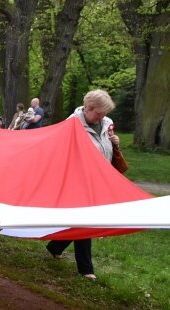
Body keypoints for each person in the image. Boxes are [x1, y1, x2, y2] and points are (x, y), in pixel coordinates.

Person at [46, 89, 120, 281]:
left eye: (105, 113)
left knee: (84, 219)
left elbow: (104, 148)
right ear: (88, 108)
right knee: (86, 220)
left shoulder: (107, 123)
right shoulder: (72, 124)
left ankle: (55, 246)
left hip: (100, 178)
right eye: (99, 113)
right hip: (78, 179)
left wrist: (114, 143)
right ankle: (86, 269)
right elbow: (61, 152)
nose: (102, 117)